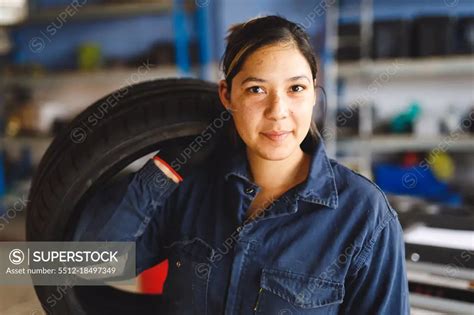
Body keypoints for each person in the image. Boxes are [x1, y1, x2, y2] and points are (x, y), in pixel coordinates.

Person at [77, 15, 409, 314]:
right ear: (227, 95)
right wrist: (166, 166)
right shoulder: (191, 189)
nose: (278, 110)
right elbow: (94, 264)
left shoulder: (364, 216)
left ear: (312, 93)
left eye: (296, 88)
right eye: (256, 89)